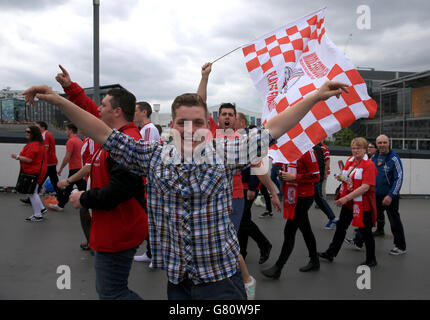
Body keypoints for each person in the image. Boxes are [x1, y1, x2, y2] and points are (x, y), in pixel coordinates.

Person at [24, 76, 348, 300]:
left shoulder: (226, 153)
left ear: (207, 124)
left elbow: (275, 127)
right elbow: (100, 131)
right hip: (177, 282)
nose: (190, 129)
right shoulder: (151, 156)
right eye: (182, 122)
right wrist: (56, 99)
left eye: (197, 122)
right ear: (172, 125)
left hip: (220, 281)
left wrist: (316, 96)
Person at [55, 65, 148, 299]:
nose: (98, 109)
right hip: (112, 227)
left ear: (116, 111)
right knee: (110, 291)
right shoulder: (114, 136)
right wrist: (70, 88)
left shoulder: (126, 141)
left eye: (104, 105)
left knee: (112, 293)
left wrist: (82, 197)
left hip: (118, 231)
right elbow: (87, 110)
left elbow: (120, 189)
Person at [319, 137, 378, 267]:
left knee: (366, 231)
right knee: (341, 228)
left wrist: (345, 198)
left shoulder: (369, 165)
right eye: (353, 148)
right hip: (351, 202)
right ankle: (331, 253)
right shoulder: (350, 161)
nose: (355, 150)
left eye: (358, 148)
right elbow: (348, 178)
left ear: (364, 150)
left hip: (363, 204)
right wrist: (342, 178)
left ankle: (371, 259)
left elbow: (365, 187)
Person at [262, 149, 321, 279]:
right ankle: (315, 260)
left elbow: (316, 176)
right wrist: (283, 174)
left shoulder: (308, 151)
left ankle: (278, 267)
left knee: (289, 230)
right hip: (292, 195)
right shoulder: (289, 148)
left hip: (304, 197)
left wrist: (294, 177)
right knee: (306, 229)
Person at [371, 135, 406, 254]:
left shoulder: (394, 158)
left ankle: (400, 247)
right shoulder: (374, 157)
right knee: (369, 218)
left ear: (389, 143)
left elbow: (399, 178)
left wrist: (391, 195)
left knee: (394, 222)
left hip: (390, 197)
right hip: (376, 195)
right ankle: (358, 241)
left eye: (384, 142)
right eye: (379, 143)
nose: (382, 145)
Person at [12, 126, 47, 221]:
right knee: (33, 191)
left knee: (32, 192)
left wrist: (17, 157)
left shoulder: (34, 145)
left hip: (34, 172)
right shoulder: (38, 144)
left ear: (33, 134)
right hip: (38, 171)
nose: (26, 133)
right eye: (26, 131)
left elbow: (29, 159)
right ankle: (41, 209)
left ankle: (38, 215)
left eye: (28, 132)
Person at [48, 123, 86, 211]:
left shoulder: (71, 141)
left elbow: (67, 156)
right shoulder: (80, 141)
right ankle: (61, 205)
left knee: (73, 187)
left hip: (74, 169)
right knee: (71, 188)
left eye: (66, 130)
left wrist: (61, 168)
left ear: (70, 131)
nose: (65, 132)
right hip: (79, 167)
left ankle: (61, 205)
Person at [313, 142, 338, 229]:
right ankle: (332, 217)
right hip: (318, 175)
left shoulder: (322, 148)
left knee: (320, 195)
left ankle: (332, 217)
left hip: (319, 175)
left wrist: (325, 173)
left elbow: (327, 160)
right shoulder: (317, 147)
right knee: (318, 196)